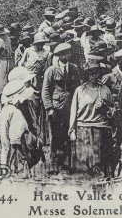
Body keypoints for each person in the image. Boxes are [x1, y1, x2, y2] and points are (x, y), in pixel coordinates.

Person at [68, 56, 115, 179]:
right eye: (91, 73)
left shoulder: (105, 90)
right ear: (87, 75)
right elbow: (73, 111)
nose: (94, 76)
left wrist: (104, 107)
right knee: (85, 163)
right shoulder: (80, 90)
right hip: (84, 129)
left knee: (100, 164)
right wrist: (72, 130)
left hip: (101, 129)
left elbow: (112, 112)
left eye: (96, 73)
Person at [42, 42, 81, 174]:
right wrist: (49, 108)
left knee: (68, 135)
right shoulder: (51, 70)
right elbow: (45, 91)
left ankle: (67, 163)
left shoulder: (74, 68)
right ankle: (53, 164)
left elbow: (77, 88)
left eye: (69, 52)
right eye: (64, 53)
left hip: (70, 106)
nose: (67, 55)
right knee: (55, 137)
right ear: (59, 56)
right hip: (56, 108)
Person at [0, 79, 35, 178]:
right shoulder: (17, 113)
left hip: (5, 138)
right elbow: (18, 136)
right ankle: (16, 171)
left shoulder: (5, 109)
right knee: (15, 155)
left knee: (5, 151)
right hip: (16, 142)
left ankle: (5, 170)